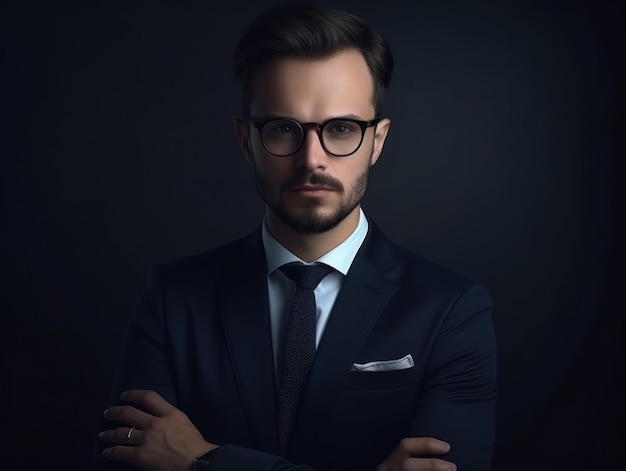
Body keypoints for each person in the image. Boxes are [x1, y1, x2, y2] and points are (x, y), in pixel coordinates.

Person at [94, 2, 498, 470]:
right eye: (284, 129)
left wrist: (203, 460)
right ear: (246, 141)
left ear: (377, 141)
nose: (312, 160)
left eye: (342, 129)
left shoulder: (451, 310)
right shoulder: (172, 299)